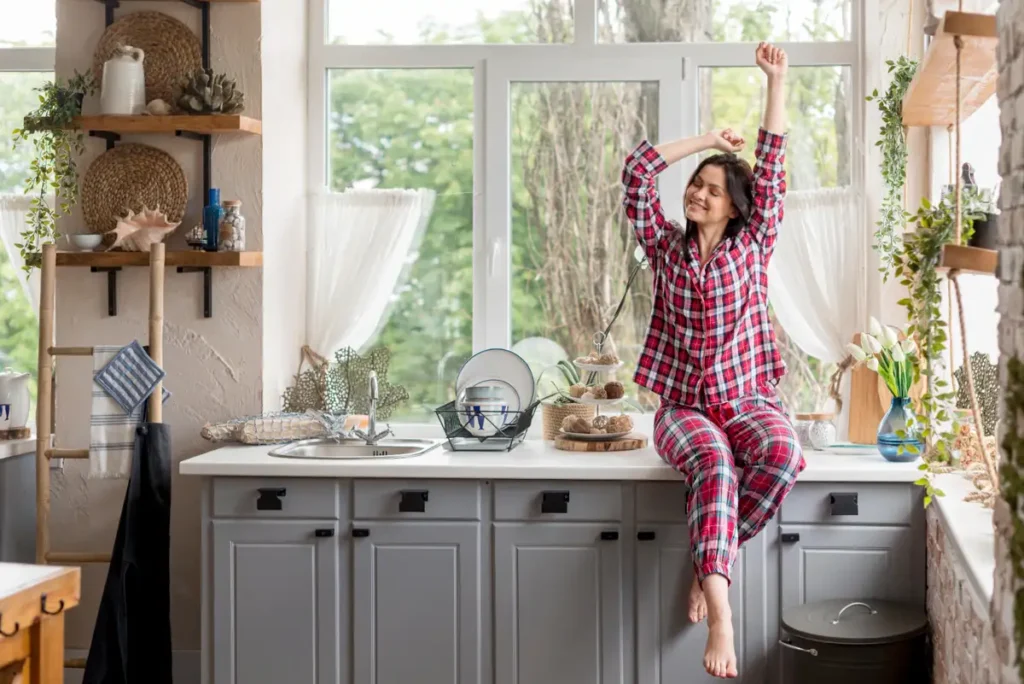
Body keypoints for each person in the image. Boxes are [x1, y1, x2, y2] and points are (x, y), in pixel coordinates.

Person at [621, 42, 805, 679]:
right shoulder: (663, 246)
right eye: (697, 185)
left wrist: (775, 82)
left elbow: (774, 163)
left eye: (712, 189)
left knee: (785, 456)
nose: (698, 193)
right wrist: (705, 140)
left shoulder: (753, 246)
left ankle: (708, 565)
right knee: (715, 462)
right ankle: (723, 612)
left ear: (735, 207)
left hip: (750, 400)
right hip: (683, 409)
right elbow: (638, 170)